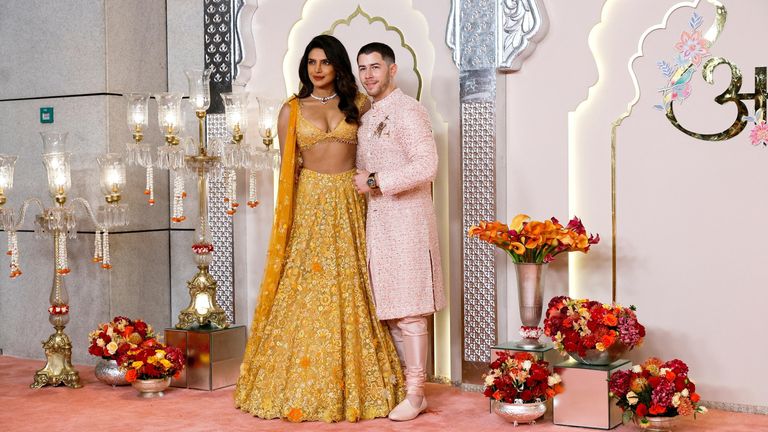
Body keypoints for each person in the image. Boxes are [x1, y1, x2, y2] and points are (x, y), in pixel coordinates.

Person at [235, 34, 405, 423]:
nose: (317, 69)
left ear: (337, 66)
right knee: (306, 289)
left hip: (350, 201)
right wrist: (287, 227)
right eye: (311, 62)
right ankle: (295, 382)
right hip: (310, 204)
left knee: (354, 284)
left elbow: (379, 153)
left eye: (325, 62)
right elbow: (288, 172)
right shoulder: (291, 110)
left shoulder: (360, 105)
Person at [353, 42, 445, 421]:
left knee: (409, 312)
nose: (368, 75)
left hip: (407, 221)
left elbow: (427, 165)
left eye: (375, 67)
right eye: (363, 68)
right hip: (379, 224)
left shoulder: (408, 110)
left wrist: (375, 181)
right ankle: (402, 387)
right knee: (389, 312)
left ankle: (416, 392)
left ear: (392, 70)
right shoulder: (368, 116)